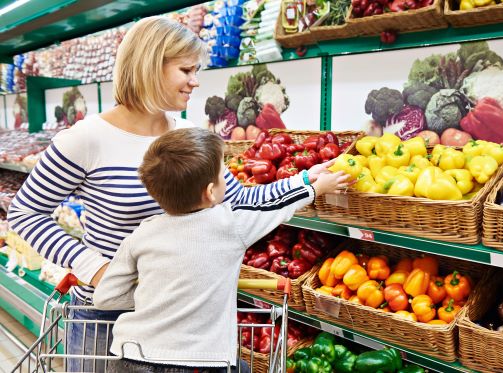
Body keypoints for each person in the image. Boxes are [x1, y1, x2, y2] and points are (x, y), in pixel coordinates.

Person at [7, 16, 334, 372]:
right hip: (106, 316)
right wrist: (94, 266)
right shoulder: (85, 140)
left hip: (179, 322)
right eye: (186, 70)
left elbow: (237, 200)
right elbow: (25, 213)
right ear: (150, 67)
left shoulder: (187, 136)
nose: (195, 81)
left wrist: (305, 182)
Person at [93, 128, 349, 373]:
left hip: (129, 357)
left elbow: (105, 297)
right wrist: (314, 187)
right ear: (210, 192)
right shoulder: (230, 224)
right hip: (197, 362)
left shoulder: (142, 233)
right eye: (222, 173)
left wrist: (156, 297)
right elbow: (277, 207)